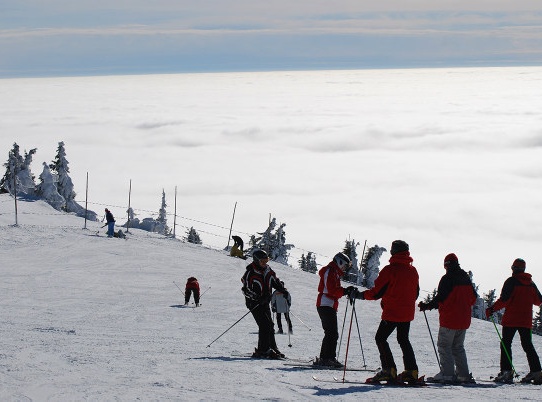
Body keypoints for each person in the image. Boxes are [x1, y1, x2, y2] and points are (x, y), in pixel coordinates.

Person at [349, 240, 419, 382]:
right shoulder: (413, 271)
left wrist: (360, 295)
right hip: (407, 313)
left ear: (394, 252)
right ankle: (411, 371)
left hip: (392, 312)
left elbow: (377, 292)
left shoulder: (390, 270)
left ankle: (389, 370)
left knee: (380, 338)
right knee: (403, 339)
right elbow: (416, 293)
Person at [418, 253, 477, 383]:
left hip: (450, 319)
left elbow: (440, 299)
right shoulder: (465, 278)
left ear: (446, 265)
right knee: (458, 347)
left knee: (444, 346)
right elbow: (473, 298)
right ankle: (463, 375)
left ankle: (447, 374)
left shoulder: (447, 278)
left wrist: (427, 306)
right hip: (464, 320)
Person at [486, 258, 542, 384]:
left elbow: (504, 300)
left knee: (506, 344)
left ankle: (506, 372)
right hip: (526, 320)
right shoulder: (531, 284)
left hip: (511, 320)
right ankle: (537, 372)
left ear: (514, 269)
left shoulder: (511, 281)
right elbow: (539, 301)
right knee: (528, 346)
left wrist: (492, 309)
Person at [241, 249, 289, 359]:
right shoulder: (250, 272)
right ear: (256, 261)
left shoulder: (268, 270)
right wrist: (257, 298)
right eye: (262, 261)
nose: (265, 263)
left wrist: (282, 289)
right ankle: (263, 350)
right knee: (264, 325)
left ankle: (272, 348)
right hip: (254, 303)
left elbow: (274, 281)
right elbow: (245, 289)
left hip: (265, 301)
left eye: (266, 261)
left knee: (270, 325)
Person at [315, 252, 356, 368]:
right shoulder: (330, 271)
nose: (345, 268)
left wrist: (345, 291)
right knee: (331, 333)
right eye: (344, 265)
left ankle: (326, 357)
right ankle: (327, 358)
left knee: (331, 333)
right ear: (339, 262)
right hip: (325, 304)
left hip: (329, 305)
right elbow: (331, 290)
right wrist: (344, 291)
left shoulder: (335, 273)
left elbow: (334, 290)